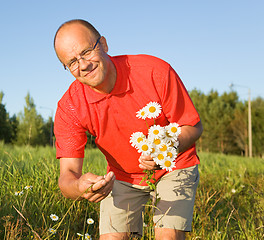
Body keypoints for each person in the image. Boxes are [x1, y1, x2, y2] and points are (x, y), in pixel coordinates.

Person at [53, 19, 203, 240]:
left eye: (86, 52)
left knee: (167, 235)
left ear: (103, 44)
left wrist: (166, 149)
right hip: (123, 176)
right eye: (72, 62)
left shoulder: (155, 71)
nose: (83, 65)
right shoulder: (70, 107)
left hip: (174, 164)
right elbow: (67, 177)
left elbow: (192, 125)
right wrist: (80, 186)